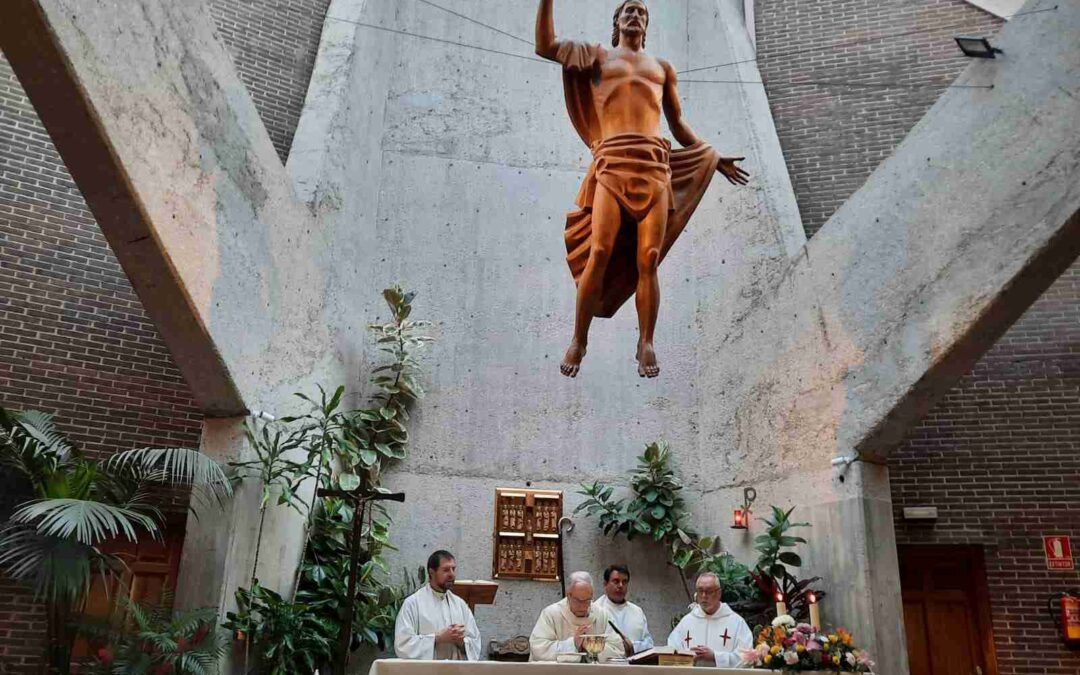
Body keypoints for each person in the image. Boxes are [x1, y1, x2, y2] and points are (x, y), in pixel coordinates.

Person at [535, 0, 749, 379]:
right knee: (599, 250)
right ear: (616, 22)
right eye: (628, 10)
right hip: (612, 164)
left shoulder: (662, 68)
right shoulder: (596, 57)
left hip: (654, 167)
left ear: (646, 25)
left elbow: (678, 123)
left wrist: (711, 157)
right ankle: (579, 338)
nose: (635, 15)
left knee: (648, 258)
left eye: (641, 12)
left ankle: (645, 341)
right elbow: (546, 45)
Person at [394, 550, 481, 660]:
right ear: (431, 572)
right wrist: (437, 638)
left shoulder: (460, 605)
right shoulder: (412, 604)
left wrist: (461, 642)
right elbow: (403, 645)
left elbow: (475, 643)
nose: (451, 574)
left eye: (453, 569)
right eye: (446, 570)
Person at [529, 571, 622, 661]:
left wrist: (591, 644)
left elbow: (618, 650)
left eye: (587, 601)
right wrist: (573, 643)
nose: (582, 606)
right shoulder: (551, 614)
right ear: (568, 595)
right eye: (578, 601)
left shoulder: (603, 615)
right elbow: (538, 648)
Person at [668, 572, 752, 667]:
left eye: (709, 591)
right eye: (700, 591)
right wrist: (688, 657)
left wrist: (715, 657)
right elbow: (671, 652)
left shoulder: (736, 623)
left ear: (719, 593)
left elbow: (746, 658)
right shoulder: (686, 622)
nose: (704, 596)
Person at [592, 564, 654, 656]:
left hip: (635, 666)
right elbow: (592, 643)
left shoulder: (637, 611)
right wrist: (620, 646)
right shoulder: (596, 610)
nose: (620, 585)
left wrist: (633, 646)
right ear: (605, 584)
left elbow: (649, 643)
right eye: (616, 581)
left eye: (624, 582)